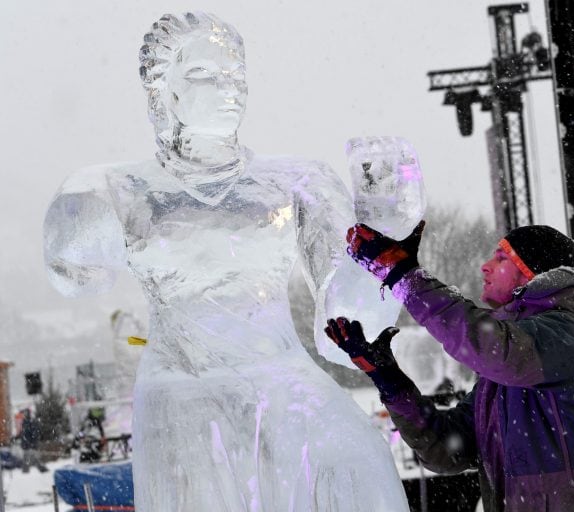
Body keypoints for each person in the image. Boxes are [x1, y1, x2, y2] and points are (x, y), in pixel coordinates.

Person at [43, 12, 415, 510]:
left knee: (360, 461)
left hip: (282, 379)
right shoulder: (119, 190)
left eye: (237, 75)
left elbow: (353, 323)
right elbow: (71, 274)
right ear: (164, 91)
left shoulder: (298, 183)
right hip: (184, 388)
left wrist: (385, 229)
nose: (229, 89)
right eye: (205, 75)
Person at [327, 223, 574, 511]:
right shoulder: (503, 374)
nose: (485, 266)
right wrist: (388, 379)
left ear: (533, 274)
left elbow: (490, 345)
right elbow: (447, 448)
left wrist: (404, 277)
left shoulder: (564, 333)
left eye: (502, 258)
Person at [20, 409, 48, 473]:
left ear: (28, 413)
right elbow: (23, 433)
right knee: (30, 458)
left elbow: (35, 433)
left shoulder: (32, 421)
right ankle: (26, 471)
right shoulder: (24, 422)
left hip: (30, 445)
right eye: (24, 413)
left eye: (25, 413)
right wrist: (16, 438)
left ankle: (26, 471)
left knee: (32, 458)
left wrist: (33, 443)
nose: (24, 414)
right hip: (25, 444)